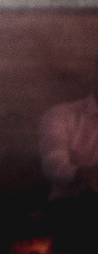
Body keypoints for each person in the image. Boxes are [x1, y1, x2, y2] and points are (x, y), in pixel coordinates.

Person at [37, 55, 98, 200]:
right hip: (69, 208)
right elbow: (52, 164)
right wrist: (85, 174)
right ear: (94, 74)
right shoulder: (60, 115)